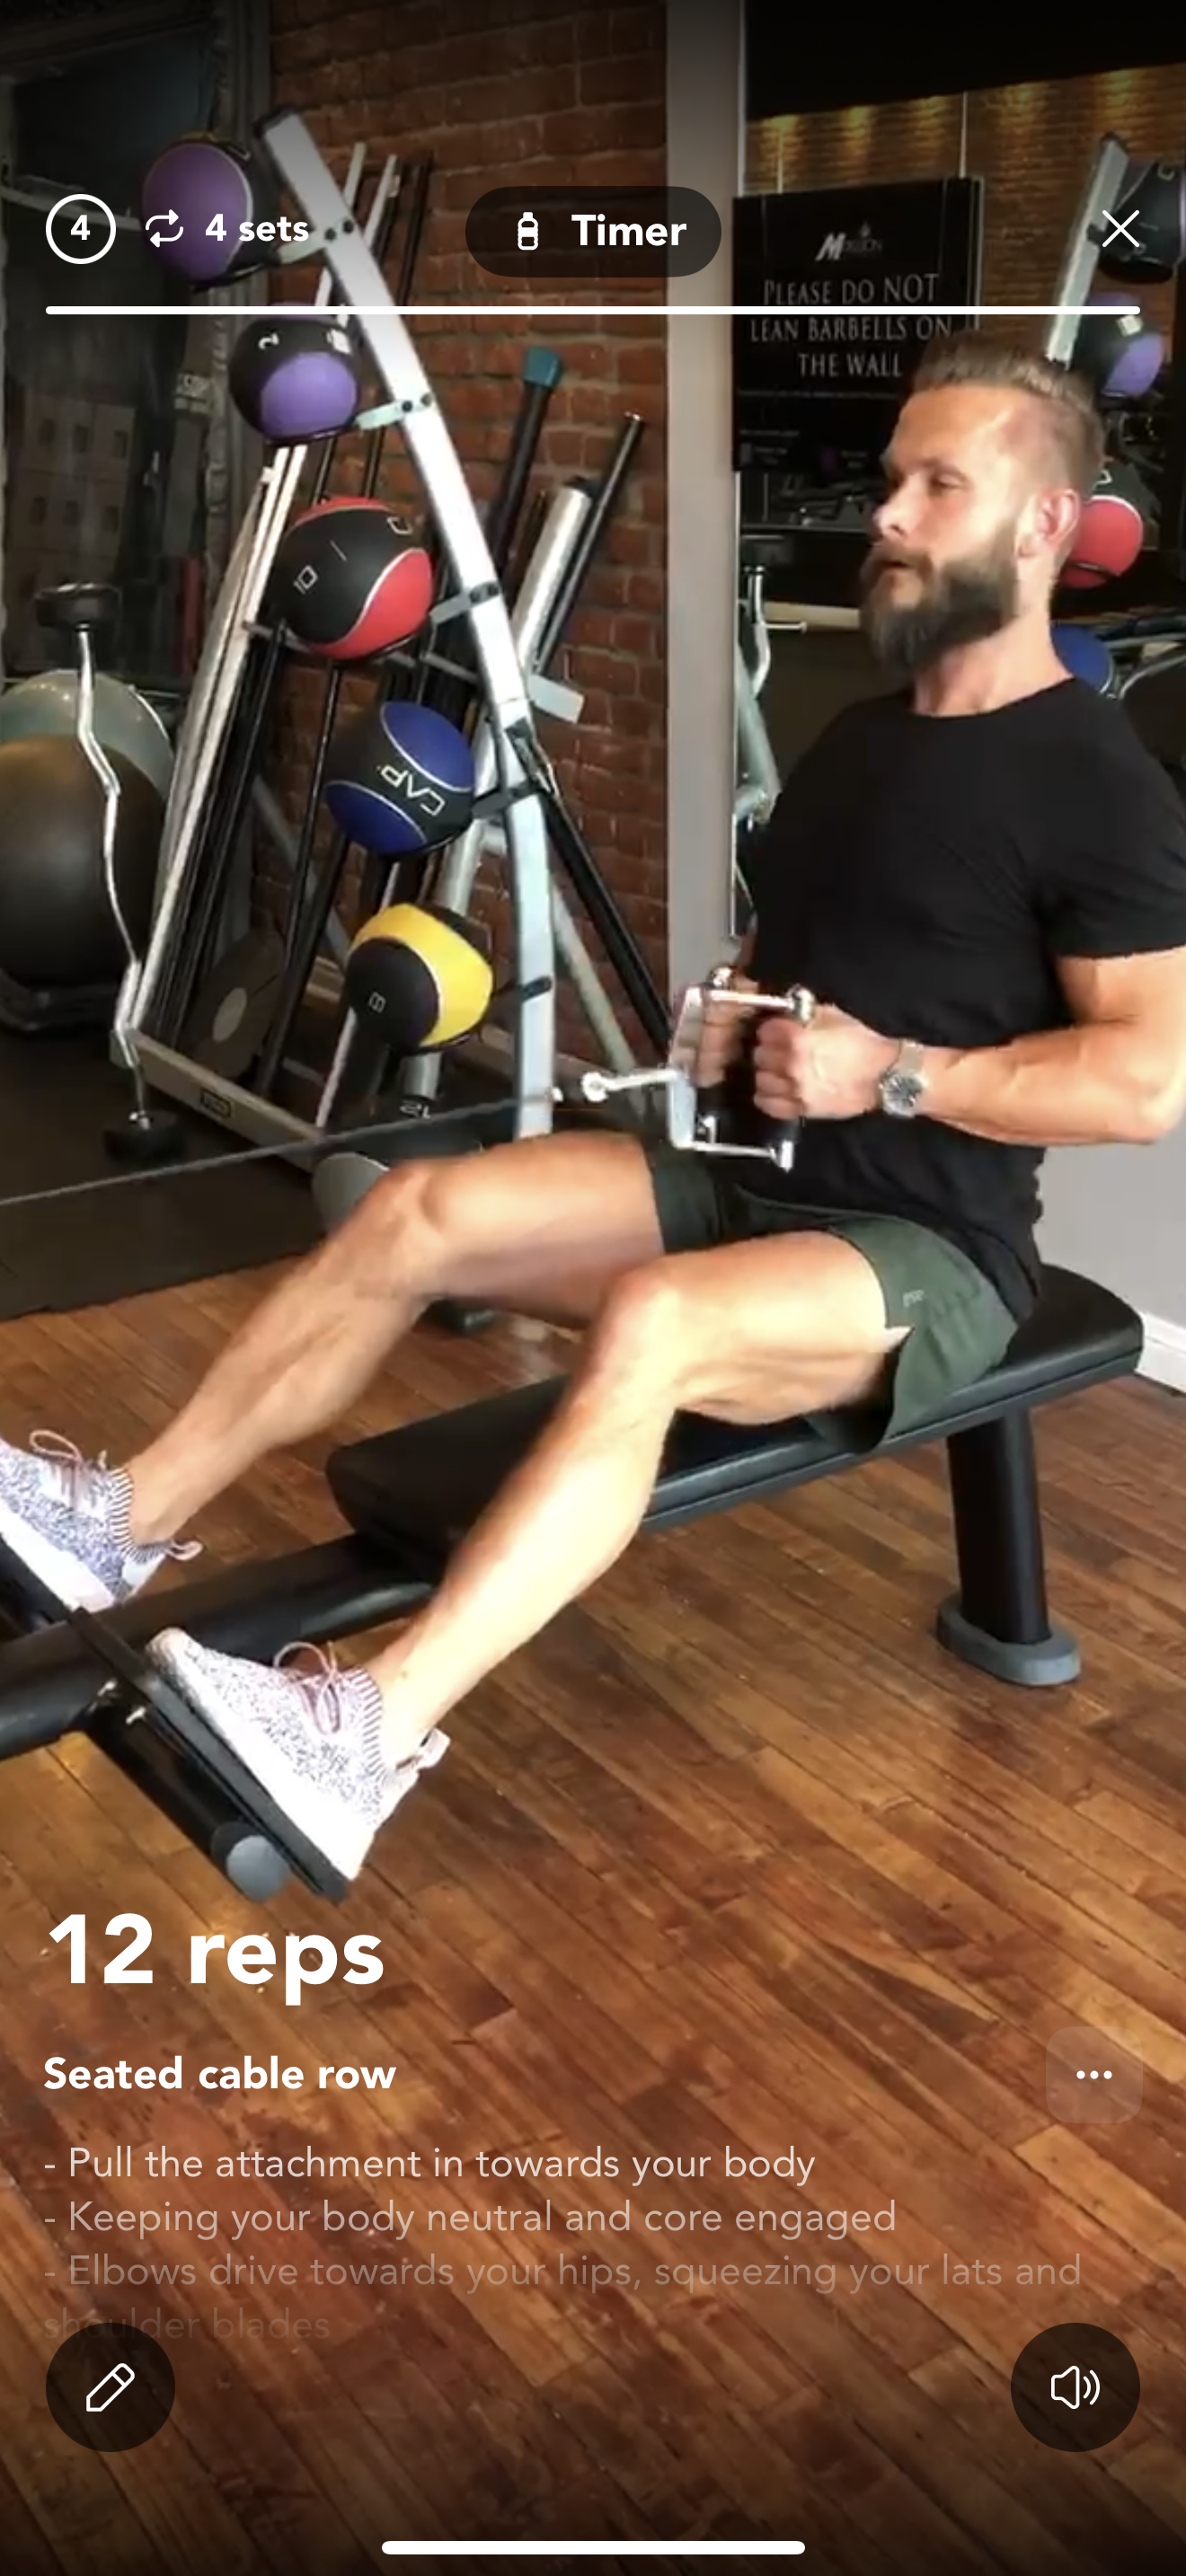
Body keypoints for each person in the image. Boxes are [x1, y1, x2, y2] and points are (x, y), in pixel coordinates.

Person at [4, 336, 1186, 1881]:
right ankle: (120, 1514)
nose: (888, 514)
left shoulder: (1099, 784)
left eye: (938, 486)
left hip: (926, 1245)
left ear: (1041, 528)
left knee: (656, 1323)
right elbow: (807, 949)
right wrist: (732, 1007)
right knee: (418, 1206)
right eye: (894, 479)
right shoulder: (862, 741)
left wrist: (894, 1072)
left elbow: (1146, 1079)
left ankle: (363, 1734)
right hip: (751, 1171)